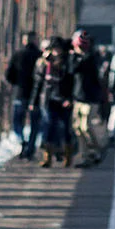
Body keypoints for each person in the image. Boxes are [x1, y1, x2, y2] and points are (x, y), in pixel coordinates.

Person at [31, 36, 75, 166]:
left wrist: (69, 98)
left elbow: (72, 82)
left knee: (65, 128)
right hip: (49, 100)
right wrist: (33, 102)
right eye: (54, 49)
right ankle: (47, 158)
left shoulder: (68, 63)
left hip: (64, 100)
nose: (56, 51)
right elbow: (38, 83)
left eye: (58, 49)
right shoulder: (44, 63)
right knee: (49, 126)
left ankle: (68, 157)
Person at [69, 29, 109, 166]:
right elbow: (71, 70)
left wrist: (81, 55)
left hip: (90, 97)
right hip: (78, 96)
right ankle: (85, 155)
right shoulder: (74, 57)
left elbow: (86, 68)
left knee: (86, 126)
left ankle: (98, 148)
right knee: (77, 128)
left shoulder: (92, 56)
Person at [5, 31, 41, 159]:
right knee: (34, 124)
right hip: (36, 96)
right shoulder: (40, 56)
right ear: (35, 40)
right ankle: (30, 147)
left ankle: (22, 142)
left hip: (20, 93)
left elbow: (9, 75)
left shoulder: (18, 55)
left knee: (17, 122)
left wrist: (18, 82)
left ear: (24, 41)